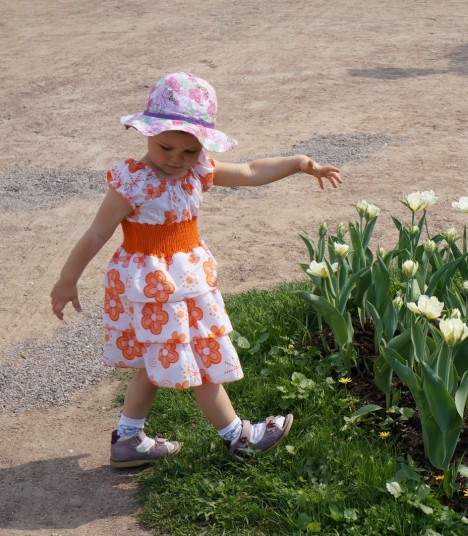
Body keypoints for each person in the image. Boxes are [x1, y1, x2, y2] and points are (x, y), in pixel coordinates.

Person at [50, 72, 342, 468]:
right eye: (165, 146)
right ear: (147, 134)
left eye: (188, 151)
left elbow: (252, 172)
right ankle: (239, 437)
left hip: (185, 284)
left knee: (158, 363)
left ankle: (128, 440)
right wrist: (67, 281)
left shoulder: (198, 170)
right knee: (202, 360)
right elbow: (98, 232)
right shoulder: (131, 181)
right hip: (151, 289)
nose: (175, 158)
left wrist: (301, 164)